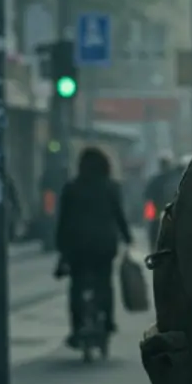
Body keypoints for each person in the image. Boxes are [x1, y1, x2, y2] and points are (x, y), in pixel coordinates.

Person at [55, 146, 132, 343]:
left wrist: (61, 248)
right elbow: (119, 216)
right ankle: (107, 321)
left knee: (77, 285)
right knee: (104, 281)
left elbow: (63, 221)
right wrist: (127, 237)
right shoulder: (111, 187)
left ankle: (77, 326)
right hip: (104, 244)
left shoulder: (71, 188)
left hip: (77, 245)